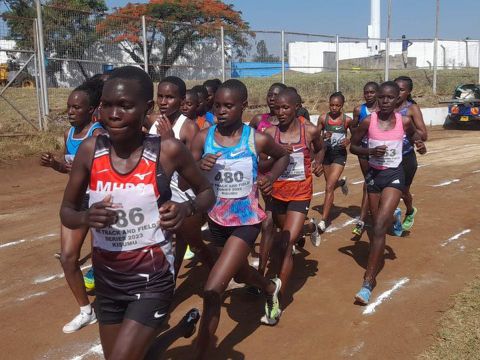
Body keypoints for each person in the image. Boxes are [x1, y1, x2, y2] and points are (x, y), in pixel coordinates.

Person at [60, 66, 215, 359]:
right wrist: (85, 217)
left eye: (125, 106)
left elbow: (207, 192)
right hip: (107, 281)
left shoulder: (167, 150)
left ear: (148, 108)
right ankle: (176, 331)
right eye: (107, 105)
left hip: (151, 278)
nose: (113, 114)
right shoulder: (90, 151)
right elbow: (67, 211)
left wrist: (187, 207)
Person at [191, 79, 290, 359]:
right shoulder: (203, 138)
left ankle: (204, 349)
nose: (221, 110)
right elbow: (188, 177)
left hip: (247, 220)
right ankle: (270, 287)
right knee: (239, 272)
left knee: (213, 288)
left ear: (243, 106)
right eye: (217, 105)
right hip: (216, 219)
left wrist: (270, 177)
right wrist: (199, 166)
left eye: (228, 105)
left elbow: (283, 156)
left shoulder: (255, 138)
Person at [349, 81, 426, 304]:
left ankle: (368, 281)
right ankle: (395, 216)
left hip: (394, 175)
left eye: (390, 98)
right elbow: (353, 147)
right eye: (381, 97)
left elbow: (414, 138)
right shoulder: (367, 121)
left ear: (397, 100)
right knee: (377, 225)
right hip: (374, 176)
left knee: (380, 225)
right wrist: (370, 150)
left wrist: (420, 145)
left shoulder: (404, 121)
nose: (384, 101)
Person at [40, 78, 105, 333]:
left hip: (98, 200)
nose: (71, 111)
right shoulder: (69, 134)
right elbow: (70, 171)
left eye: (77, 108)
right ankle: (86, 311)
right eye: (69, 107)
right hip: (77, 199)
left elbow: (106, 169)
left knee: (103, 258)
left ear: (91, 110)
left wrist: (79, 169)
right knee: (68, 258)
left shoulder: (98, 133)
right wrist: (55, 164)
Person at [263, 88, 324, 322]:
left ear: (296, 106)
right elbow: (262, 162)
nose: (280, 112)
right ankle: (311, 228)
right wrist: (276, 156)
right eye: (277, 107)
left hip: (300, 193)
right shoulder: (269, 133)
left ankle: (277, 298)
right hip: (277, 194)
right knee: (282, 236)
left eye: (285, 107)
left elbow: (320, 149)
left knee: (286, 245)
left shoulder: (309, 130)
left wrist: (318, 162)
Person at [149, 76, 215, 276]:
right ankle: (168, 284)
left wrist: (170, 142)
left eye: (169, 97)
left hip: (183, 197)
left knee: (193, 244)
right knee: (166, 243)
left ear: (180, 100)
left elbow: (191, 171)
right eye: (160, 96)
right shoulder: (152, 121)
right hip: (160, 194)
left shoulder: (188, 127)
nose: (163, 101)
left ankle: (219, 273)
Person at [249, 82, 286, 278]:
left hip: (281, 177)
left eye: (277, 95)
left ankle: (306, 228)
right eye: (270, 94)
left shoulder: (288, 122)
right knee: (268, 222)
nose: (272, 98)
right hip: (259, 175)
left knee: (278, 223)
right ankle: (261, 272)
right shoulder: (258, 120)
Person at [394, 76, 428, 234]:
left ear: (408, 92)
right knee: (387, 190)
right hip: (388, 157)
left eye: (401, 90)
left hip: (406, 156)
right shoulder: (385, 106)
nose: (398, 92)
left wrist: (407, 129)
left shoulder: (411, 108)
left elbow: (423, 134)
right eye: (396, 88)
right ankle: (392, 216)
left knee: (402, 191)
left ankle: (409, 211)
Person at [317, 91, 352, 231]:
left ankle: (323, 221)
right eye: (332, 105)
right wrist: (323, 136)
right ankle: (342, 182)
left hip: (339, 155)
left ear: (342, 105)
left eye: (337, 105)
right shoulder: (323, 118)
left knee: (329, 187)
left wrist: (348, 140)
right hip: (326, 153)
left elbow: (356, 137)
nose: (334, 108)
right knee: (330, 184)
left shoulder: (347, 120)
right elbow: (315, 137)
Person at [351, 82, 379, 236]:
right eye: (366, 92)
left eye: (372, 92)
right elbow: (353, 127)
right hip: (363, 150)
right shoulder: (359, 110)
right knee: (369, 182)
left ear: (377, 93)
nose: (368, 95)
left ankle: (387, 211)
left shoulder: (383, 110)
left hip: (379, 152)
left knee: (378, 182)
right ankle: (362, 219)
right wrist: (361, 132)